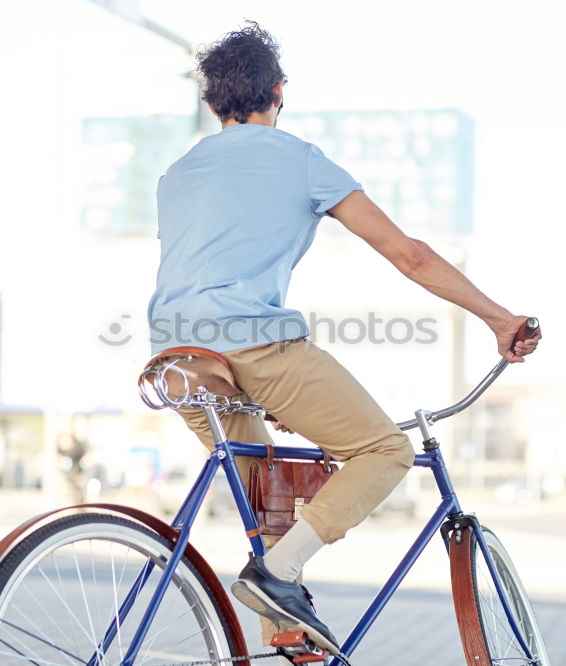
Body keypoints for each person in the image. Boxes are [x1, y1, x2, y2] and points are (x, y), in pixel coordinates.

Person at [146, 21, 541, 659]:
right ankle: (278, 577)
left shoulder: (176, 173)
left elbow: (199, 275)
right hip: (252, 344)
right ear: (279, 91)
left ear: (212, 102)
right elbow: (409, 256)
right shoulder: (300, 159)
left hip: (177, 359)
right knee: (382, 452)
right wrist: (499, 319)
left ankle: (287, 639)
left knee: (269, 504)